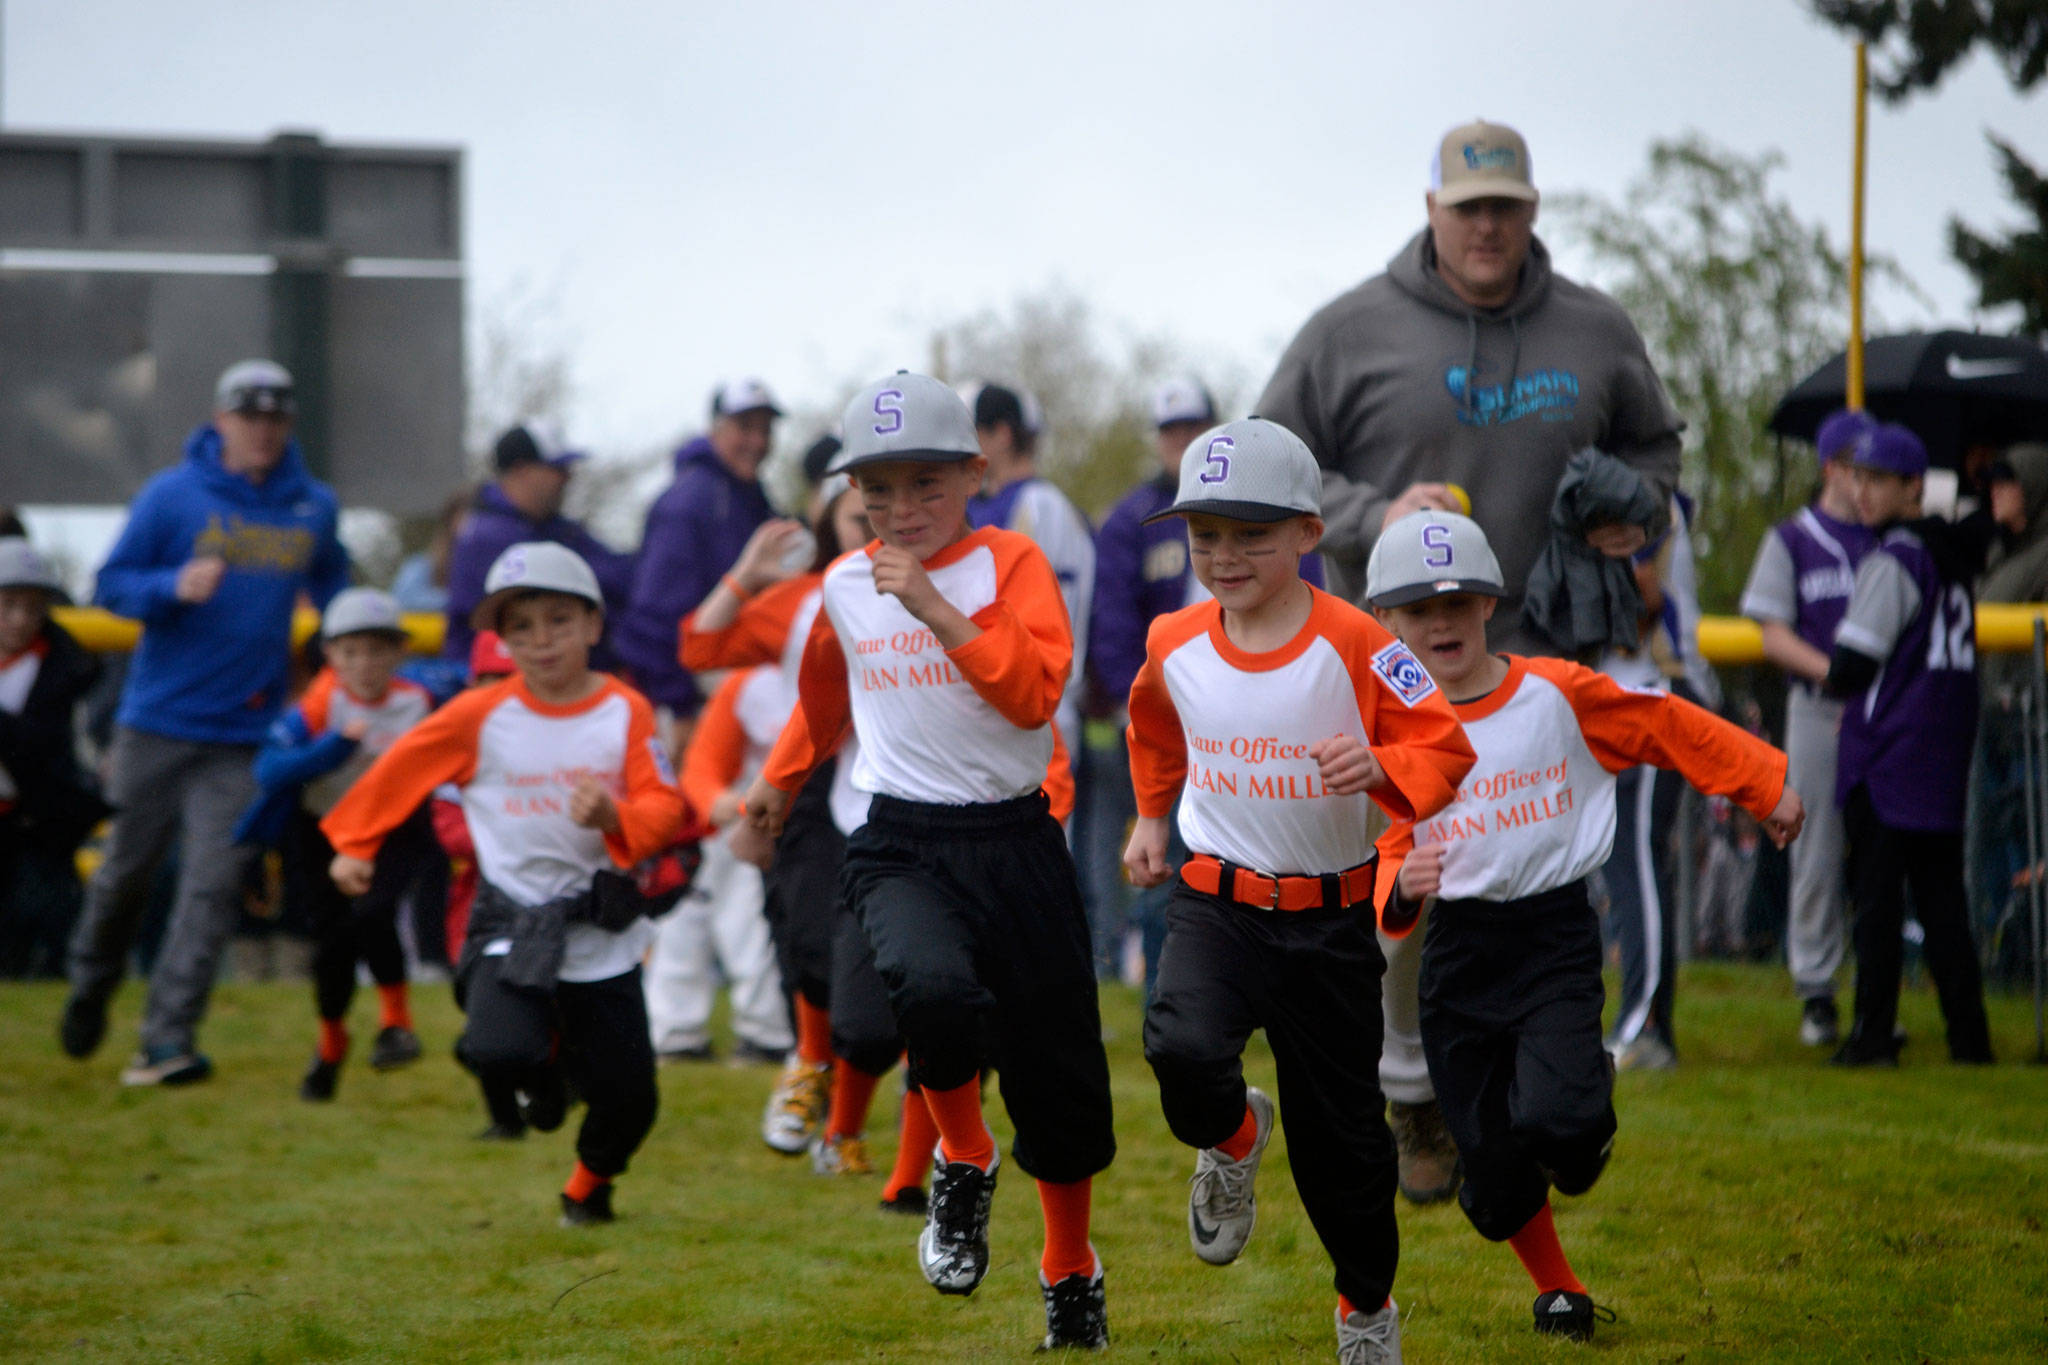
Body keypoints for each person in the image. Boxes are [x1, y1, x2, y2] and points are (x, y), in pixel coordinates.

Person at [1255, 118, 1682, 1204]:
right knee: (1412, 884)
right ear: (1431, 210)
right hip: (1397, 670)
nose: (1486, 226)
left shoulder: (1592, 328)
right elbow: (1265, 471)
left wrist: (1631, 514)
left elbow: (1655, 446)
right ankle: (1412, 1098)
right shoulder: (1348, 331)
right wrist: (1365, 508)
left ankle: (1529, 1085)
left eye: (1505, 206)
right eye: (1466, 207)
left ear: (1531, 212)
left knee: (1535, 892)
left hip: (1535, 665)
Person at [743, 373, 1115, 1352]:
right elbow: (825, 696)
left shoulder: (1011, 562)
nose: (900, 508)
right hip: (902, 836)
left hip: (1018, 840)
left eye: (925, 484)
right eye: (878, 487)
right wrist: (777, 786)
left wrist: (939, 612)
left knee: (1055, 1080)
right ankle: (960, 1155)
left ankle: (1068, 1267)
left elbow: (1033, 696)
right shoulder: (841, 584)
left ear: (976, 474)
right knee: (926, 989)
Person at [1367, 508, 1801, 1343]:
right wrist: (1400, 887)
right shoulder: (1392, 726)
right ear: (1385, 621)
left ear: (1491, 603)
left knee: (1563, 1124)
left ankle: (1577, 1106)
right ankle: (1558, 1287)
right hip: (1455, 957)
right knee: (1491, 1188)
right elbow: (1388, 843)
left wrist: (1761, 783)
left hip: (1551, 937)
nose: (1441, 623)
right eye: (1418, 609)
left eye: (1458, 602)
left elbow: (1666, 724)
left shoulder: (1554, 693)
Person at [1123, 419, 1475, 1365]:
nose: (1224, 556)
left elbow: (1446, 746)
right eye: (1205, 535)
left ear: (1310, 534)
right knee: (1182, 1047)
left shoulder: (1360, 641)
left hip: (1329, 924)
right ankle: (1234, 1139)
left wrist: (1380, 763)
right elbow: (1154, 722)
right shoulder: (1174, 637)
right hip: (1215, 901)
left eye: (1251, 534)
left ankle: (1366, 1311)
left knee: (1345, 1156)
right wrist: (1153, 817)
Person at [324, 543, 690, 1221]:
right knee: (496, 1048)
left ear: (592, 625)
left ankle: (587, 1186)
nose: (540, 639)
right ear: (500, 637)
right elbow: (400, 768)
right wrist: (354, 842)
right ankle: (542, 1070)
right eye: (520, 626)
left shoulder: (626, 711)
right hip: (508, 918)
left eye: (558, 619)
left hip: (598, 924)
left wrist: (616, 814)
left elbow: (667, 808)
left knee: (632, 1097)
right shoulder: (478, 714)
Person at [61, 359, 350, 1086]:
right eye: (248, 416)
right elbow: (108, 585)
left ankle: (166, 1040)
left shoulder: (312, 507)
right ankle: (90, 983)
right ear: (221, 421)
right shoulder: (173, 496)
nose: (262, 429)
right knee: (123, 874)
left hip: (243, 734)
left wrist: (341, 646)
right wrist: (171, 586)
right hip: (155, 722)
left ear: (288, 426)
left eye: (275, 417)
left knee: (213, 886)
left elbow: (337, 589)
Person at [682, 476, 947, 1208]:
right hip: (823, 801)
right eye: (863, 512)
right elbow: (700, 646)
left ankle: (897, 1151)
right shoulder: (811, 596)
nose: (885, 521)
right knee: (819, 963)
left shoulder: (959, 580)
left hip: (936, 807)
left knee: (928, 996)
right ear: (828, 520)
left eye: (897, 502)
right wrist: (745, 576)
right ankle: (816, 1074)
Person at [1822, 424, 1997, 1067]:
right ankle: (1969, 1038)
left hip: (1889, 752)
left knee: (1877, 904)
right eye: (1858, 478)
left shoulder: (1895, 556)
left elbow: (1851, 665)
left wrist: (1828, 671)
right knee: (1943, 904)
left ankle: (1872, 1037)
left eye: (1879, 480)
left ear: (1913, 487)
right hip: (1942, 751)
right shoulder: (1951, 555)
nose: (1863, 492)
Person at [232, 588, 437, 1101]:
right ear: (330, 656)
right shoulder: (321, 706)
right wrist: (335, 746)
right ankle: (330, 1045)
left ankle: (396, 1023)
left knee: (374, 913)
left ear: (399, 653)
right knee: (333, 945)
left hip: (392, 831)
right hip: (322, 831)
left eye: (378, 650)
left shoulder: (419, 702)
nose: (365, 664)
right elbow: (269, 769)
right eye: (351, 652)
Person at [1739, 409, 1879, 1046]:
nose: (1866, 480)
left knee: (1883, 852)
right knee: (1816, 848)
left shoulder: (1888, 540)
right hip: (1818, 708)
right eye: (1857, 467)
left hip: (1885, 713)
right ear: (1831, 467)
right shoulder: (1794, 537)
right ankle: (1818, 991)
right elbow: (1771, 633)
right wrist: (1838, 672)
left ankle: (1878, 991)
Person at [1596, 493, 1719, 1072]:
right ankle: (1650, 1022)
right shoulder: (1628, 478)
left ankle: (1644, 1025)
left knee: (1637, 860)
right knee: (1636, 864)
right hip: (1639, 687)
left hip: (1650, 685)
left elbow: (1641, 594)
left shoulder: (1631, 485)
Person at [643, 663, 793, 1064]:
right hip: (727, 827)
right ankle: (678, 1031)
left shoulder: (823, 673)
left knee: (747, 925)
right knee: (703, 923)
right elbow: (703, 765)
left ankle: (764, 1029)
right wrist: (716, 802)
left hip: (776, 826)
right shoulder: (748, 684)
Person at [613, 378, 782, 721]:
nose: (758, 441)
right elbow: (654, 616)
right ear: (715, 430)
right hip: (690, 698)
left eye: (766, 430)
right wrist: (679, 706)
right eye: (745, 428)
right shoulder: (690, 500)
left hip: (732, 689)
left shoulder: (748, 496)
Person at [963, 381, 1096, 765]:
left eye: (972, 433)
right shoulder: (1058, 505)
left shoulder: (1028, 505)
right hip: (1047, 702)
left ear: (1001, 435)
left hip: (1026, 703)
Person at [0, 538, 107, 978]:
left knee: (49, 937)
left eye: (33, 606)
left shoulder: (71, 667)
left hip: (40, 829)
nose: (21, 619)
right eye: (9, 604)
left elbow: (47, 750)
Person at [440, 422, 633, 667]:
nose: (567, 477)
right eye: (557, 468)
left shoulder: (552, 524)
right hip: (497, 685)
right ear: (521, 470)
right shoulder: (488, 534)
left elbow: (622, 575)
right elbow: (593, 589)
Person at [391, 488, 471, 614]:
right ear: (450, 521)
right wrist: (460, 599)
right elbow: (404, 599)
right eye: (467, 515)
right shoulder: (423, 564)